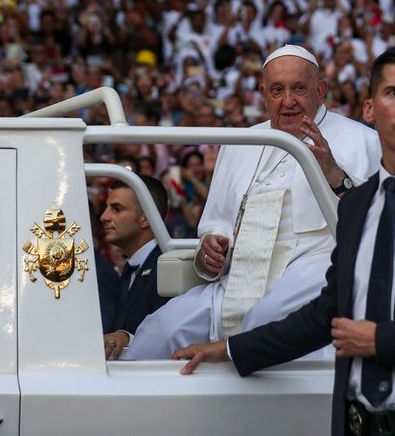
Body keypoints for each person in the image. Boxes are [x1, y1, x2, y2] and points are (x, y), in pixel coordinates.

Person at [174, 46, 395, 436]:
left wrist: (382, 338)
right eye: (394, 94)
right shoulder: (357, 204)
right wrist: (228, 349)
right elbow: (327, 311)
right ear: (370, 110)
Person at [120, 44, 380, 359]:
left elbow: (373, 228)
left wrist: (332, 171)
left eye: (299, 89)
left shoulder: (364, 141)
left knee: (264, 318)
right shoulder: (240, 143)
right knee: (158, 332)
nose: (287, 102)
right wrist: (210, 252)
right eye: (276, 90)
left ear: (321, 90)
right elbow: (214, 226)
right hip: (235, 282)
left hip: (313, 272)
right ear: (262, 93)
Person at [102, 174, 170, 359]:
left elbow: (170, 336)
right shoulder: (133, 267)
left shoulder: (167, 268)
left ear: (146, 218)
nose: (104, 217)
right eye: (106, 208)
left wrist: (126, 338)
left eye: (116, 209)